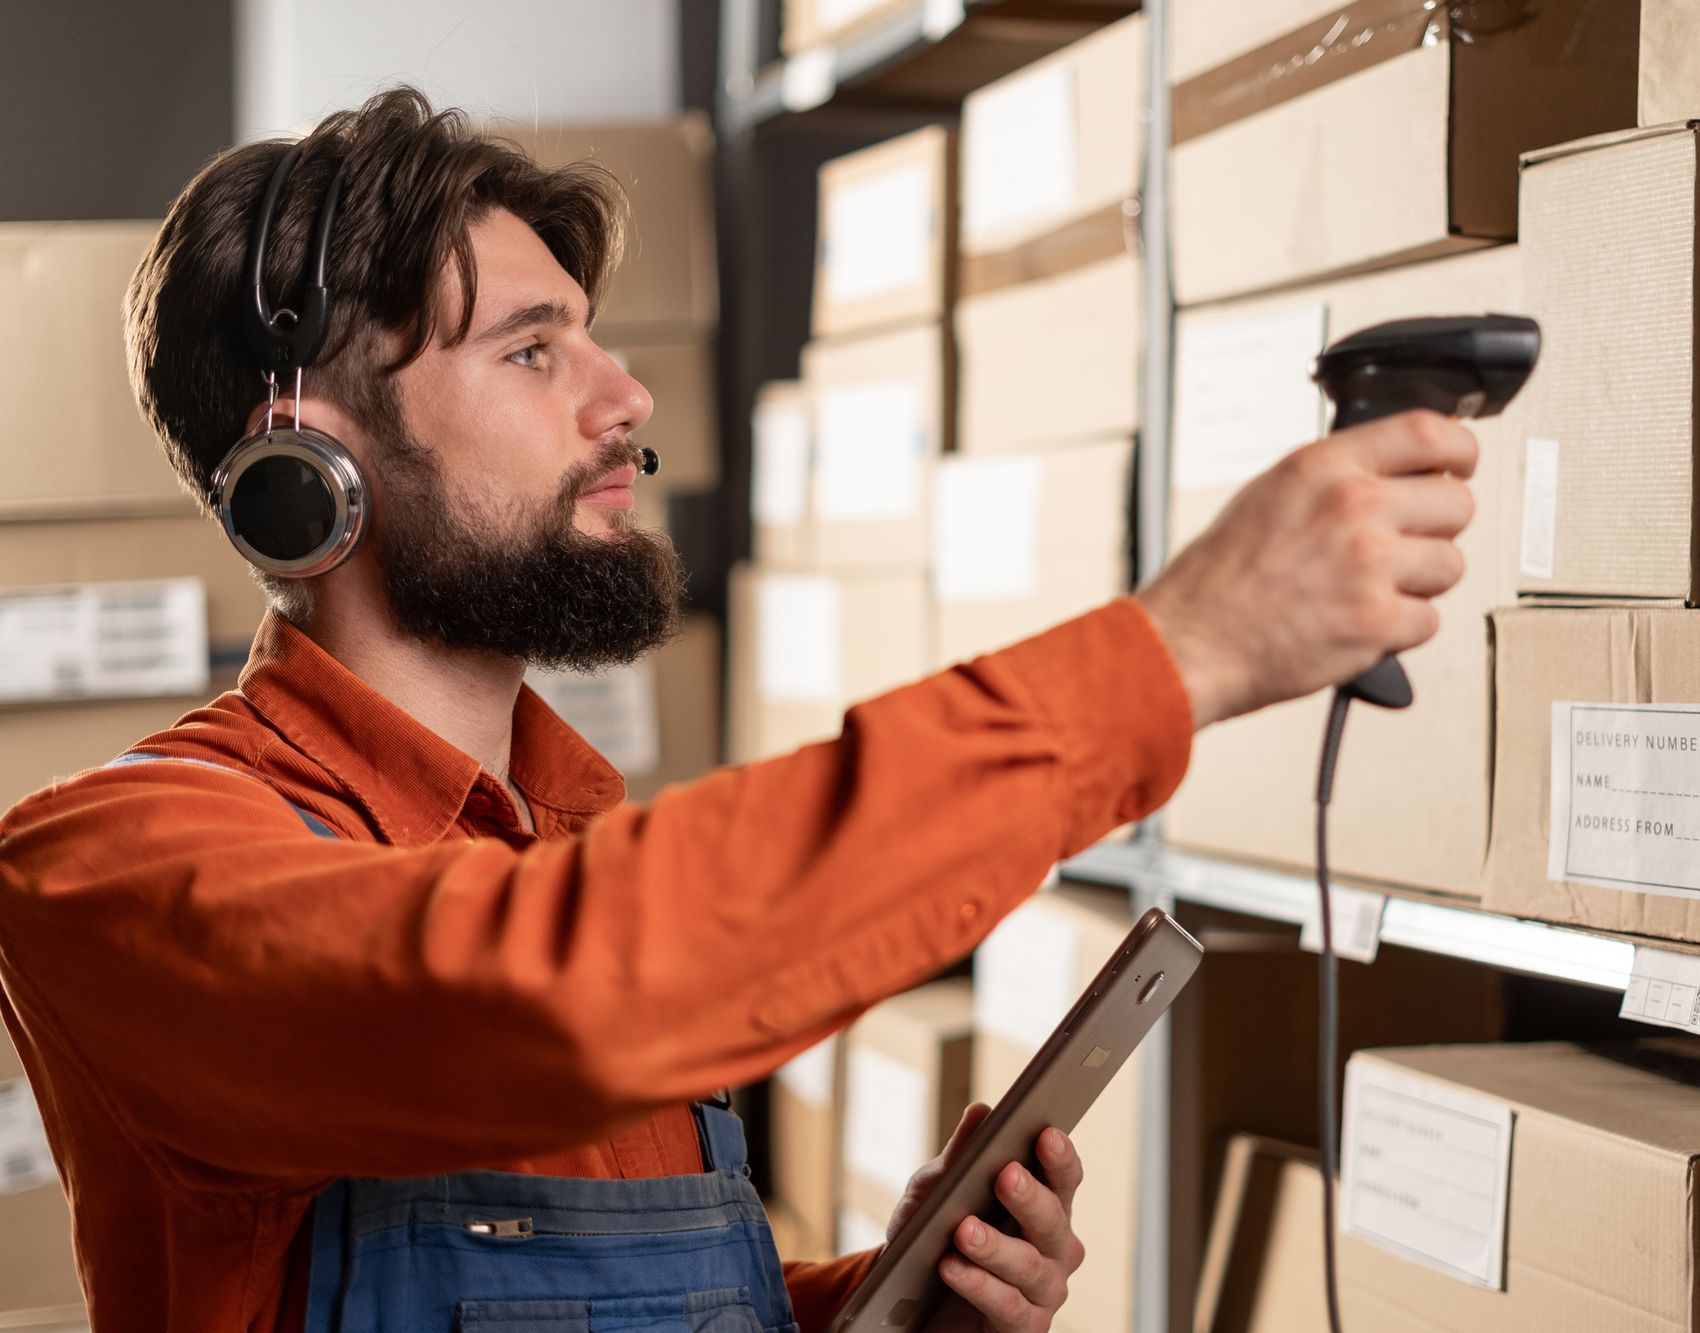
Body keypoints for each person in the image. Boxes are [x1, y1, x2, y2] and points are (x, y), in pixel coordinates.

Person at [0, 88, 1478, 1332]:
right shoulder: (113, 864)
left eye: (596, 337)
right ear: (307, 461)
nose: (628, 397)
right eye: (532, 350)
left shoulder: (573, 844)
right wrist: (1182, 649)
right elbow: (549, 996)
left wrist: (874, 1306)